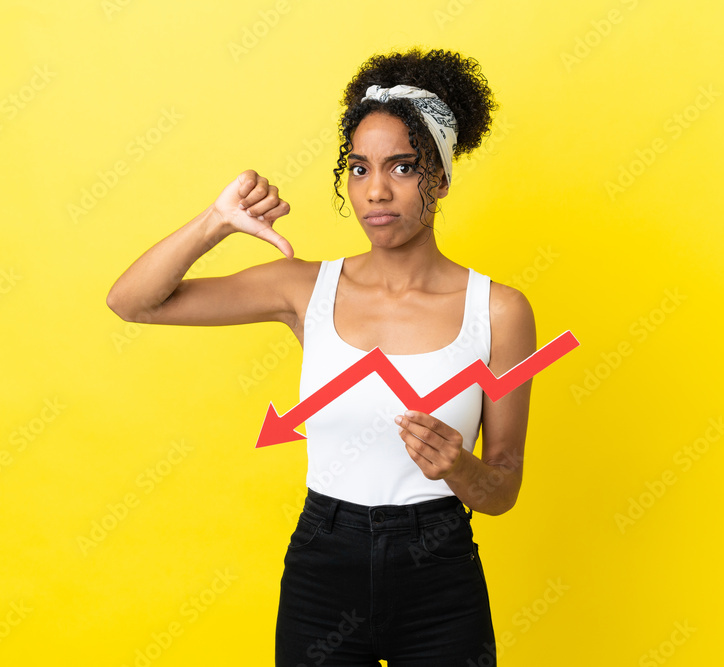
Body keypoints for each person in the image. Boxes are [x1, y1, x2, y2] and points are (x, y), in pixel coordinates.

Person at [106, 46, 536, 666]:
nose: (377, 190)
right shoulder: (304, 288)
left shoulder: (499, 311)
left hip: (438, 573)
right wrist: (215, 223)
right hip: (323, 567)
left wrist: (458, 467)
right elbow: (133, 303)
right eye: (359, 169)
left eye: (403, 167)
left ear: (440, 178)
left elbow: (502, 489)